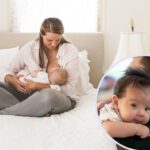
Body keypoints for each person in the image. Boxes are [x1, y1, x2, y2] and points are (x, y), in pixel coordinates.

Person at [0, 17, 81, 117]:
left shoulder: (71, 51)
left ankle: (5, 112)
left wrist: (36, 86)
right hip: (27, 94)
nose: (54, 44)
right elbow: (9, 69)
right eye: (49, 40)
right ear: (42, 35)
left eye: (58, 40)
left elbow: (70, 89)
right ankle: (32, 109)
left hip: (58, 97)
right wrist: (13, 80)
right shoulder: (30, 48)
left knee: (48, 96)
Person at [99, 68, 150, 139]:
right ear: (116, 103)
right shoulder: (112, 114)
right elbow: (108, 129)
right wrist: (137, 129)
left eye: (147, 108)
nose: (142, 113)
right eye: (134, 105)